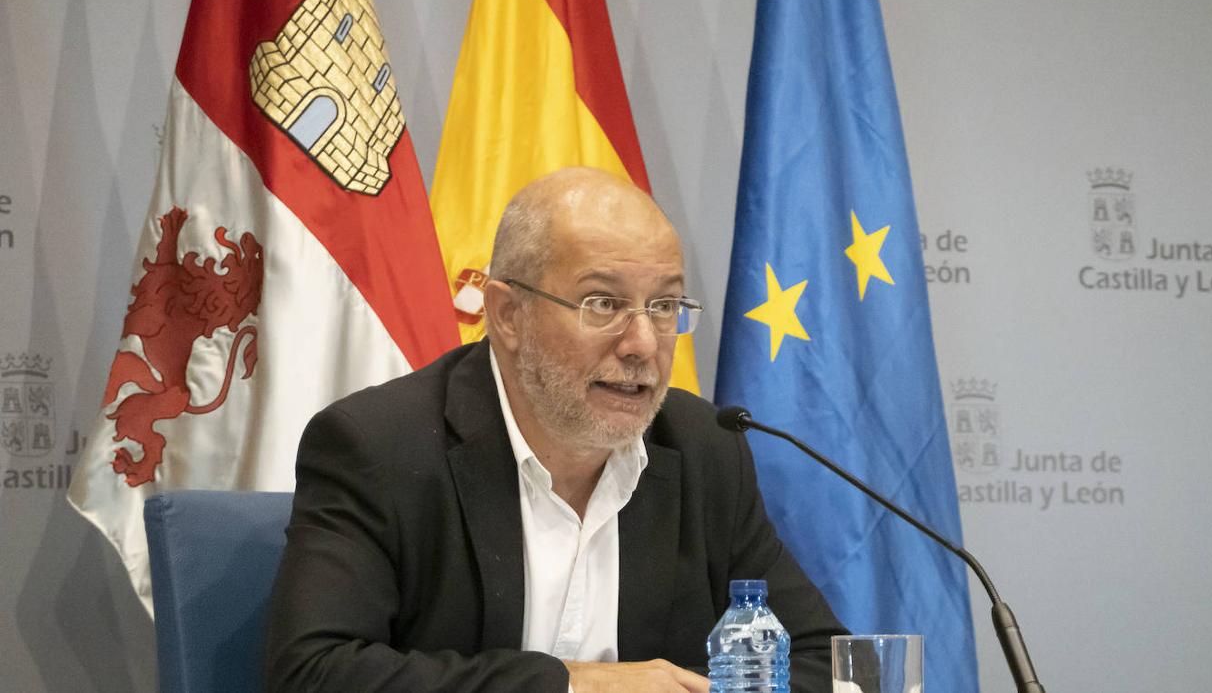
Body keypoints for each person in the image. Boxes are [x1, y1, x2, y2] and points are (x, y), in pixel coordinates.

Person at [265, 167, 845, 692]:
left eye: (665, 306)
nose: (643, 343)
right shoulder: (380, 445)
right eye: (602, 303)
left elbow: (820, 662)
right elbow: (315, 672)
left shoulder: (701, 448)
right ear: (508, 315)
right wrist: (573, 686)